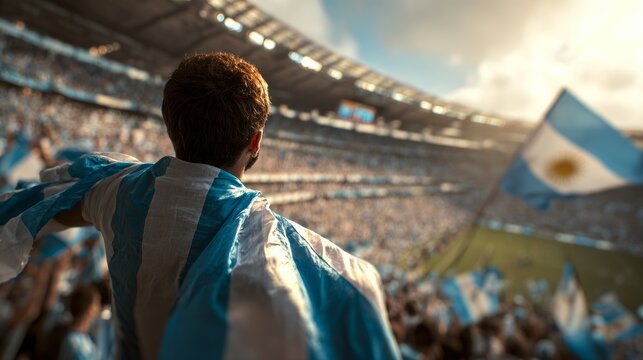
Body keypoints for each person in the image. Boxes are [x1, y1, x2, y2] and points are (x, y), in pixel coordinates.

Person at [0, 52, 400, 359]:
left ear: (169, 121)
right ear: (255, 142)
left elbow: (45, 211)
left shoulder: (116, 190)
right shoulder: (296, 255)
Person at [58, 285, 102, 360]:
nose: (98, 309)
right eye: (96, 305)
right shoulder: (74, 343)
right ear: (90, 310)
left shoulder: (82, 338)